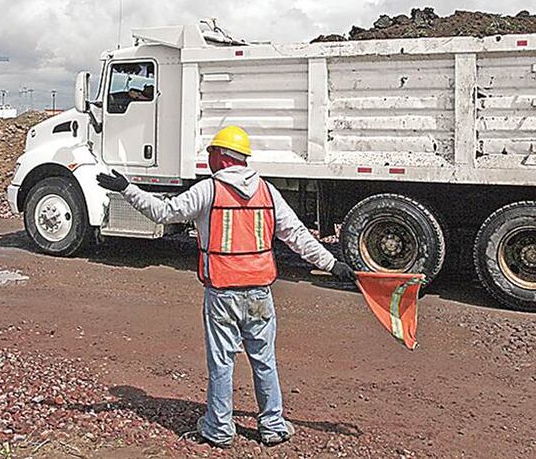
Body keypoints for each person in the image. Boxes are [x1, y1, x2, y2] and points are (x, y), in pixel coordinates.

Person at [97, 125, 355, 448]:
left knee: (222, 362)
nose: (208, 159)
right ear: (243, 159)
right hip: (260, 293)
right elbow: (299, 237)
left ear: (220, 157)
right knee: (264, 359)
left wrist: (126, 188)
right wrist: (333, 265)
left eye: (210, 153)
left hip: (222, 293)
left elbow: (163, 213)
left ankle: (219, 429)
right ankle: (272, 425)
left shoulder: (209, 191)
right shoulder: (268, 192)